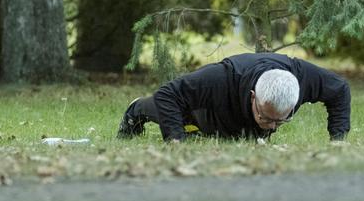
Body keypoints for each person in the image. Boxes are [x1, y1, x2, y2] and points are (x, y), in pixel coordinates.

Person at [117, 52, 351, 142]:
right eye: (267, 118)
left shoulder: (302, 77)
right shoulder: (220, 78)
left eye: (281, 120)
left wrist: (337, 140)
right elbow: (168, 94)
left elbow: (340, 89)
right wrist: (176, 141)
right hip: (212, 111)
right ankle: (136, 110)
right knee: (190, 123)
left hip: (242, 120)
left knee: (243, 139)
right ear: (253, 98)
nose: (273, 127)